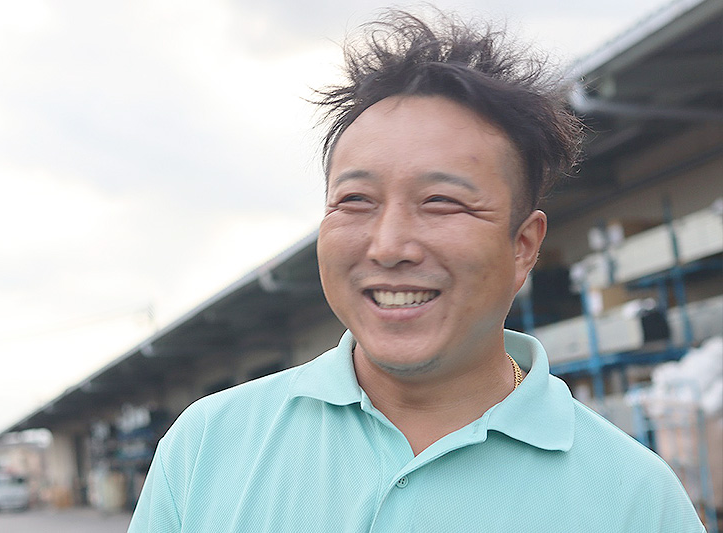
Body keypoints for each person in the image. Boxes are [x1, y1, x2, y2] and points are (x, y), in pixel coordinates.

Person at [128, 10, 705, 532]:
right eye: (356, 200)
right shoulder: (209, 445)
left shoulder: (634, 498)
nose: (388, 246)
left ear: (524, 246)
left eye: (441, 202)